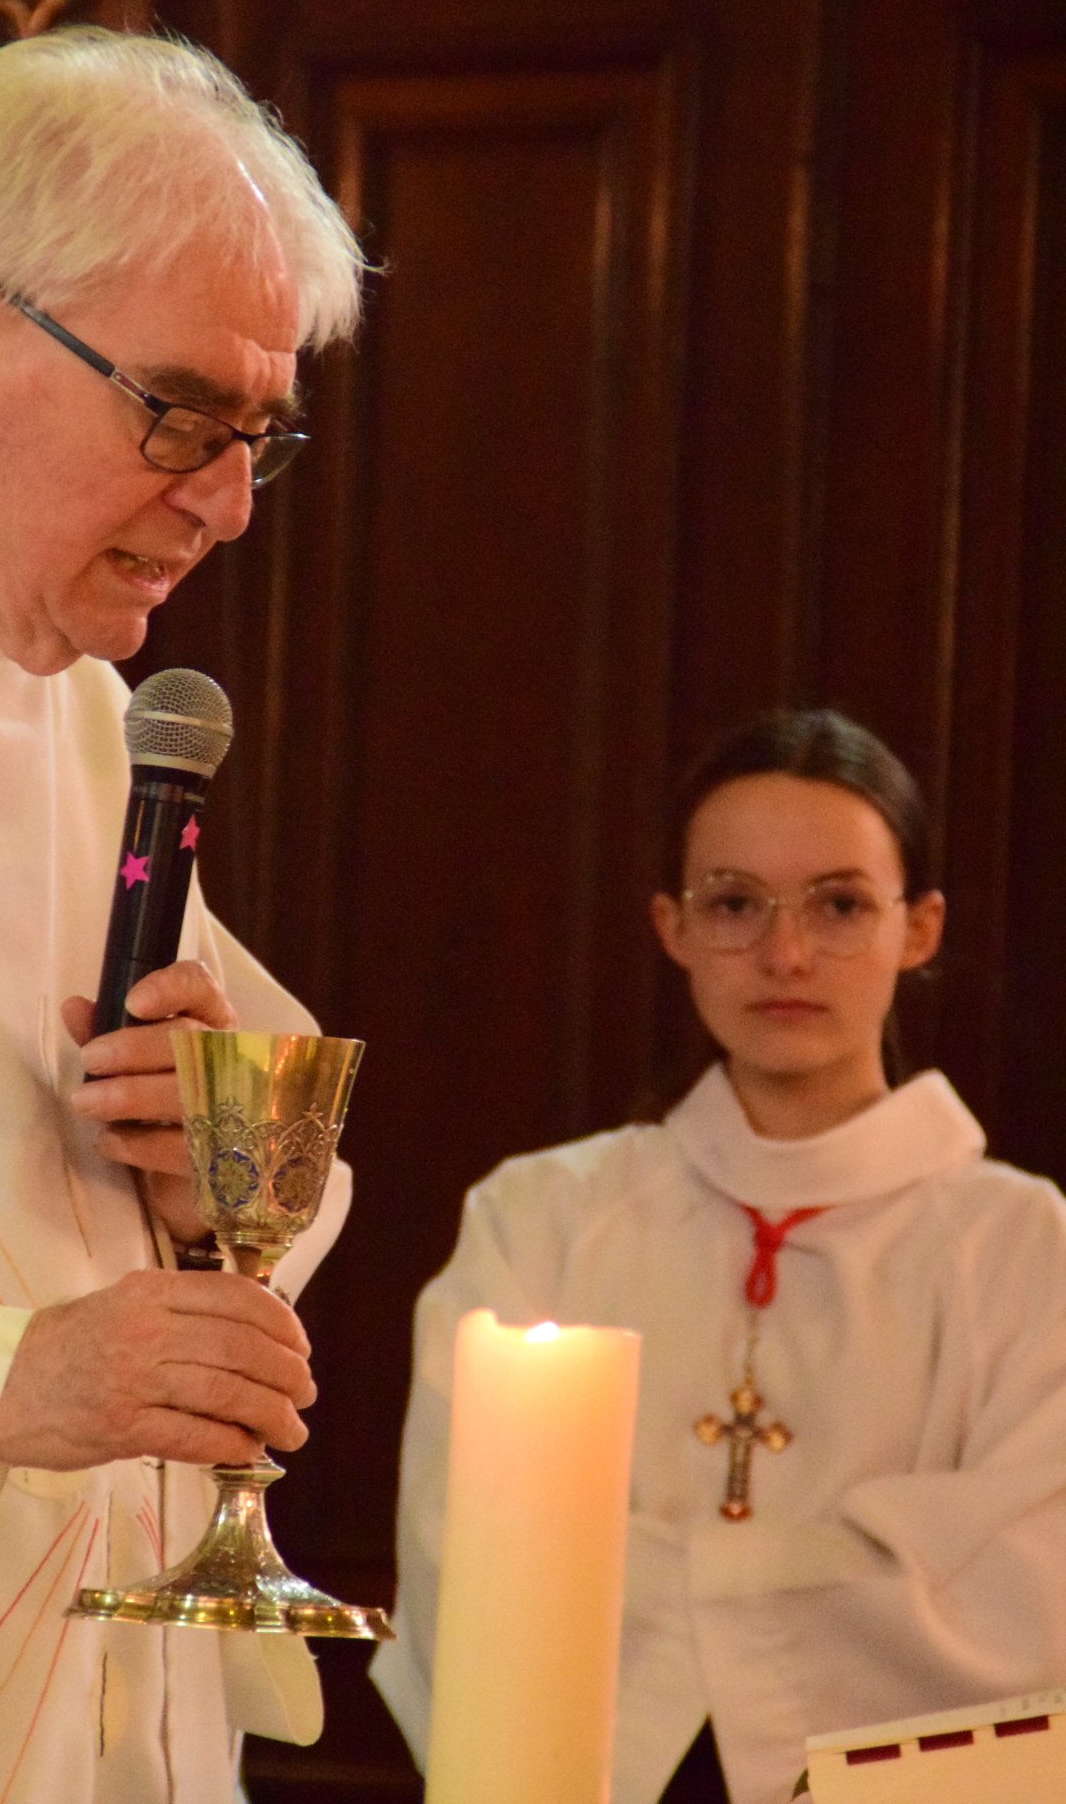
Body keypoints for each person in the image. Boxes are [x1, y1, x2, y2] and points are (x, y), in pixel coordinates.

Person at [0, 26, 366, 1804]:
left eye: (260, 436)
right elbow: (28, 1345)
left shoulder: (94, 713)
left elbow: (242, 1175)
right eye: (180, 412)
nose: (225, 502)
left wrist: (201, 1194)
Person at [371, 709, 1066, 1804]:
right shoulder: (539, 1217)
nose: (783, 955)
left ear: (918, 927)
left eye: (838, 905)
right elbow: (471, 1564)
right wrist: (827, 1579)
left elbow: (1026, 1598)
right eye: (733, 903)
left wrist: (657, 1580)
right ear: (670, 926)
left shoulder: (1026, 1248)